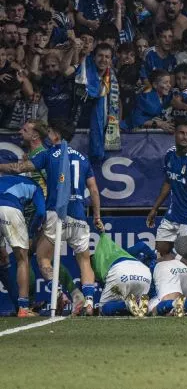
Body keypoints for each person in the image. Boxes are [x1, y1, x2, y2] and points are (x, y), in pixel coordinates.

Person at [0, 119, 102, 315]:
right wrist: (97, 216)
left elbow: (20, 169)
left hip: (53, 211)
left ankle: (56, 294)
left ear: (55, 135)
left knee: (39, 256)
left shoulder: (47, 154)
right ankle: (87, 301)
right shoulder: (82, 158)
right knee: (83, 260)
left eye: (50, 132)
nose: (48, 134)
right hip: (78, 213)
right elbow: (94, 190)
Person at [145, 120, 187, 257]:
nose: (185, 137)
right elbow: (168, 182)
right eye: (181, 133)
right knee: (161, 250)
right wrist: (154, 208)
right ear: (175, 134)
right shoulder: (170, 154)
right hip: (173, 214)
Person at [0, 175, 46, 317]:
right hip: (10, 209)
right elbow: (40, 213)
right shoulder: (36, 186)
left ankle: (17, 304)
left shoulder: (5, 179)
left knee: (3, 259)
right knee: (22, 260)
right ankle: (24, 308)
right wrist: (31, 233)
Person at [91, 229, 153, 317]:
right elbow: (141, 245)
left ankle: (128, 305)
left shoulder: (95, 264)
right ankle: (138, 303)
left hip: (120, 271)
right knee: (137, 311)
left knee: (103, 308)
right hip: (144, 272)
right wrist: (155, 257)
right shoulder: (121, 253)